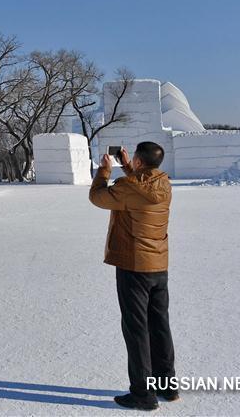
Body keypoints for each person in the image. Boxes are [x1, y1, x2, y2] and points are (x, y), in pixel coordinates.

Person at [89, 142, 176, 411]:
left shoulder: (129, 187)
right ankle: (166, 386)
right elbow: (140, 188)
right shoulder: (164, 183)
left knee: (136, 329)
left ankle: (142, 394)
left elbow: (98, 198)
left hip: (133, 265)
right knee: (159, 325)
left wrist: (104, 171)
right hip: (158, 265)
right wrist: (128, 167)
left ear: (139, 161)